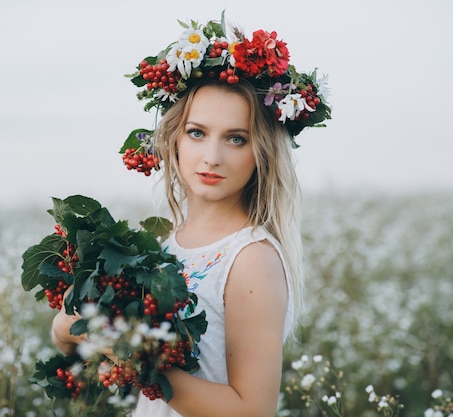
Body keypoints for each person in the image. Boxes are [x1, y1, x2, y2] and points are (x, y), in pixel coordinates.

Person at [51, 14, 331, 417]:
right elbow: (92, 365)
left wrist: (130, 354)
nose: (212, 158)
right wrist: (69, 328)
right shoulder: (167, 242)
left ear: (262, 152)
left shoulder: (251, 259)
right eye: (197, 132)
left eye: (236, 139)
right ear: (175, 138)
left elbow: (252, 410)